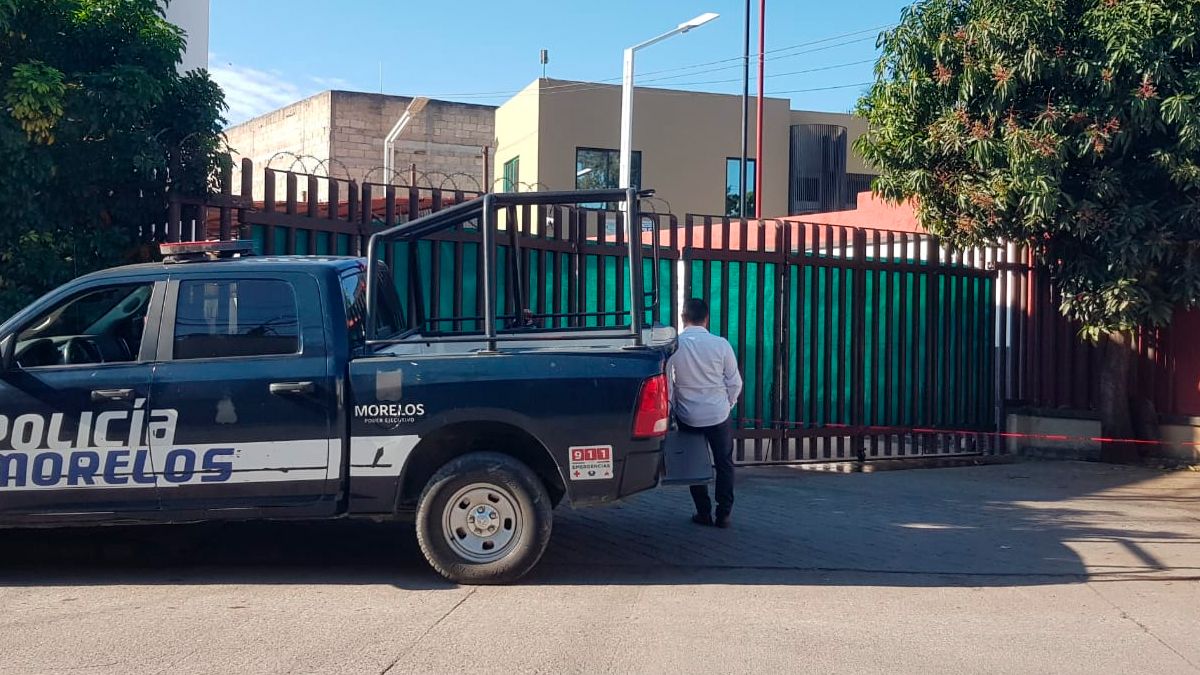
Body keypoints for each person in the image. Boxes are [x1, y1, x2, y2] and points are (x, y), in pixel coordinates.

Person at [667, 297, 742, 528]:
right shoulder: (721, 344)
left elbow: (668, 385)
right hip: (718, 414)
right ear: (707, 319)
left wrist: (674, 407)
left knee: (695, 464)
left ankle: (703, 512)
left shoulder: (675, 346)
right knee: (724, 463)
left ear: (683, 318)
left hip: (688, 415)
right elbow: (735, 382)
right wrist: (727, 404)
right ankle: (724, 514)